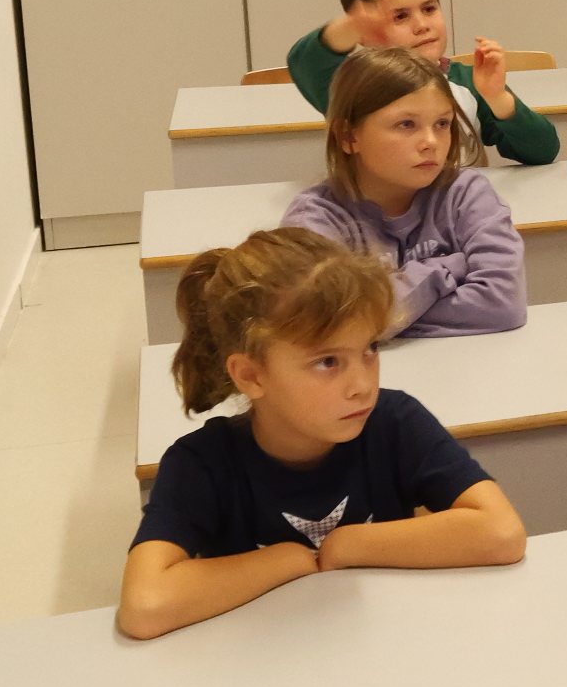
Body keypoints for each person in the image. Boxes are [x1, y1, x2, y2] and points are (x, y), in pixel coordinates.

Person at [119, 229, 526, 639]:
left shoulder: (395, 421)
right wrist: (291, 560)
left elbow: (502, 532)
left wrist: (345, 545)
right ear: (251, 375)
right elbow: (145, 606)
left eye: (370, 349)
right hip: (265, 655)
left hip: (387, 642)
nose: (362, 385)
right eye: (327, 362)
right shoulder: (201, 464)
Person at [281, 47, 525, 339]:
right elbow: (327, 323)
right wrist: (443, 269)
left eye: (442, 123)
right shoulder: (316, 219)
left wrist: (377, 317)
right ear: (348, 136)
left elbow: (502, 303)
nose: (430, 142)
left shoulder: (466, 193)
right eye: (406, 124)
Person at [288, 0, 558, 166]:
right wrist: (349, 26)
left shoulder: (469, 81)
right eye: (400, 16)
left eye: (429, 9)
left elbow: (542, 151)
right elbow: (306, 62)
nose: (421, 25)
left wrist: (498, 99)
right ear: (363, 33)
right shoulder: (356, 87)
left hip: (459, 212)